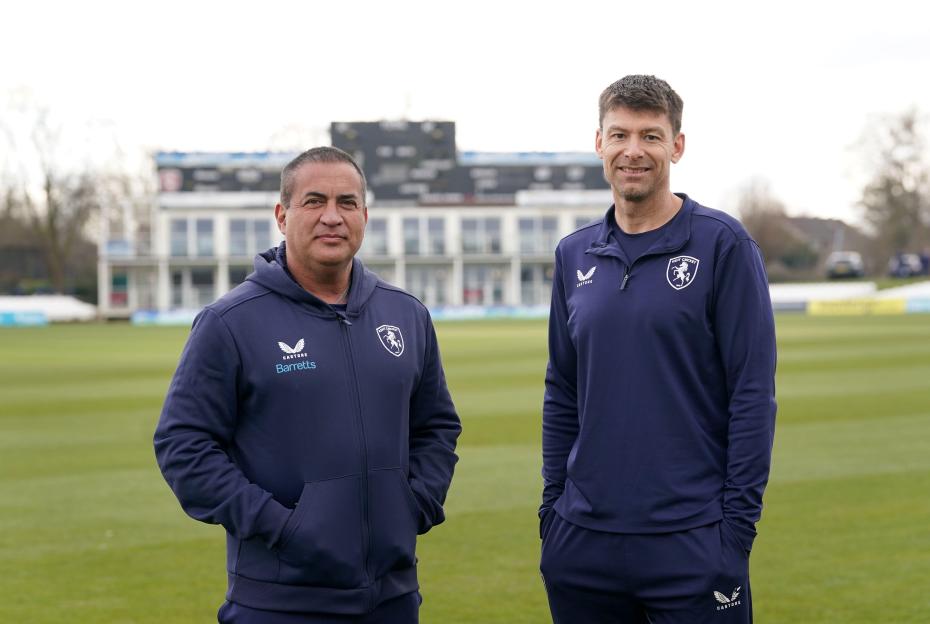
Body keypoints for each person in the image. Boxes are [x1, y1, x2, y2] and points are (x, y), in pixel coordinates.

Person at [154, 146, 461, 623]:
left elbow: (437, 426)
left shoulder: (406, 314)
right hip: (279, 601)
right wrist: (280, 526)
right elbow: (183, 444)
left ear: (365, 214)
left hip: (393, 597)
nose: (332, 217)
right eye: (314, 201)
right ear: (282, 214)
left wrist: (413, 505)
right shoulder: (229, 322)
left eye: (346, 203)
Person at [539, 75, 777, 623]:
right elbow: (562, 388)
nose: (633, 151)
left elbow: (752, 394)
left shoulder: (723, 245)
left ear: (677, 145)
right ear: (598, 142)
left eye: (650, 135)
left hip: (691, 538)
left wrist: (735, 533)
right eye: (619, 134)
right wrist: (552, 512)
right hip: (582, 540)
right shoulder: (574, 253)